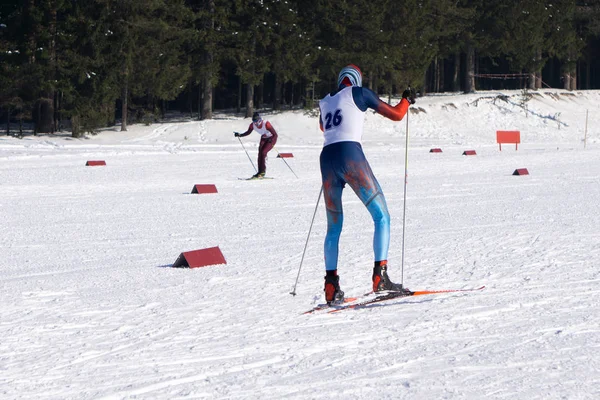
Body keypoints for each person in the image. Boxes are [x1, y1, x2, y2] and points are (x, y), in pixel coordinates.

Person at [318, 64, 416, 305]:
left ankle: (331, 286)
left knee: (333, 227)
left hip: (327, 158)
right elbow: (397, 115)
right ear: (357, 80)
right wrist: (406, 100)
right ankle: (380, 277)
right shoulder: (360, 93)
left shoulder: (324, 100)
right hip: (350, 155)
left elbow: (324, 126)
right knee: (381, 215)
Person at [234, 112, 278, 179]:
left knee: (263, 152)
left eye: (257, 121)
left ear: (260, 120)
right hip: (263, 138)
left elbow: (275, 134)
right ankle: (259, 171)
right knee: (260, 154)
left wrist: (271, 140)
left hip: (271, 139)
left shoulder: (266, 124)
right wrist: (240, 135)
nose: (256, 123)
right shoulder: (252, 125)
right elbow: (248, 132)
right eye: (254, 121)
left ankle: (263, 171)